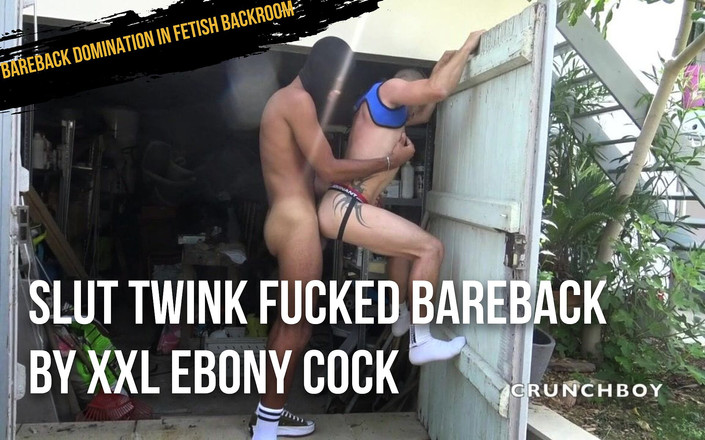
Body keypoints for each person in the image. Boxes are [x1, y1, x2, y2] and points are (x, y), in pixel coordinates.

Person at [251, 36, 415, 440]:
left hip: (287, 216)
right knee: (297, 327)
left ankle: (268, 415)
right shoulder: (297, 102)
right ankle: (266, 429)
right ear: (319, 70)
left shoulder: (290, 103)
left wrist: (359, 193)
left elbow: (318, 180)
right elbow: (329, 167)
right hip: (296, 223)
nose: (336, 92)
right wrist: (390, 160)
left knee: (289, 324)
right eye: (335, 83)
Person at [317, 30, 484, 366]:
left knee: (404, 248)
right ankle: (421, 340)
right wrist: (468, 46)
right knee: (430, 248)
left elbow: (425, 111)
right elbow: (437, 90)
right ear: (407, 87)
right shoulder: (389, 89)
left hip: (347, 204)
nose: (415, 108)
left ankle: (400, 313)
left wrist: (441, 67)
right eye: (415, 95)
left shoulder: (385, 111)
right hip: (346, 204)